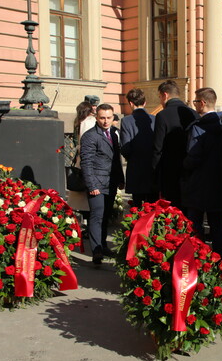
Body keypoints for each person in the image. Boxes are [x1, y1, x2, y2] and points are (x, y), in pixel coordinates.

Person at [182, 88, 222, 256]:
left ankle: (198, 260)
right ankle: (219, 261)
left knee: (196, 225)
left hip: (198, 184)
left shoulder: (198, 127)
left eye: (195, 101)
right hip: (218, 183)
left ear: (202, 103)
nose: (194, 105)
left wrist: (184, 165)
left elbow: (192, 156)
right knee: (217, 226)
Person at [81, 103, 125, 265]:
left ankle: (103, 245)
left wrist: (121, 179)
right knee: (97, 216)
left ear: (113, 117)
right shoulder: (90, 136)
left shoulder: (114, 133)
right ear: (96, 118)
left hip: (111, 182)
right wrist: (92, 185)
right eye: (102, 118)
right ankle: (97, 250)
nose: (106, 121)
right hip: (97, 183)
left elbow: (116, 160)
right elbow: (86, 163)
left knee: (106, 215)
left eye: (109, 117)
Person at [151, 80, 199, 208]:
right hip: (190, 169)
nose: (161, 101)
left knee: (172, 209)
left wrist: (155, 172)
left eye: (160, 97)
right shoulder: (193, 113)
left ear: (165, 95)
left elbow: (157, 148)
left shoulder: (162, 115)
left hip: (169, 170)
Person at [120, 88, 156, 207]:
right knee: (152, 206)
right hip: (153, 169)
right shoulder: (155, 119)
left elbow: (125, 147)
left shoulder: (126, 121)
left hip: (136, 169)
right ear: (144, 102)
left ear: (130, 103)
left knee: (137, 206)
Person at [66, 101, 96, 215]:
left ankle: (84, 218)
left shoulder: (80, 122)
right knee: (87, 193)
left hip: (81, 159)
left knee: (82, 195)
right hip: (88, 159)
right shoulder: (90, 122)